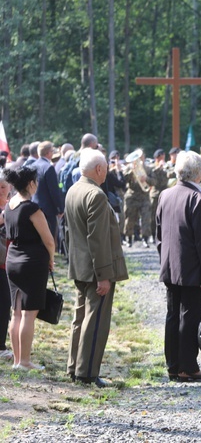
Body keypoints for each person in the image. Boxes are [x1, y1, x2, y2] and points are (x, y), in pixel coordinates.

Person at [65, 149, 128, 386]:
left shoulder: (74, 190)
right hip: (95, 270)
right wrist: (104, 276)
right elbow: (98, 239)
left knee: (80, 318)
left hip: (80, 266)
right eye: (106, 169)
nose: (108, 173)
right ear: (99, 169)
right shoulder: (97, 195)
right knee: (96, 321)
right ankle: (87, 372)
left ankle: (74, 367)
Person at [155, 151, 201, 382]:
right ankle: (188, 367)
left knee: (173, 315)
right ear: (200, 173)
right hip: (191, 268)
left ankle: (173, 365)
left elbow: (159, 234)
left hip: (170, 265)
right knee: (189, 316)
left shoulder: (165, 194)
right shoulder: (198, 199)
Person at [6, 166, 56, 370]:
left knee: (16, 313)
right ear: (30, 184)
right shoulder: (32, 209)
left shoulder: (9, 205)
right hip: (32, 263)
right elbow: (49, 241)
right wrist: (51, 260)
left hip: (13, 261)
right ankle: (25, 361)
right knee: (28, 314)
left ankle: (18, 360)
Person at [31, 141, 65, 240]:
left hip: (34, 206)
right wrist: (60, 208)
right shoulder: (49, 168)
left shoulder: (32, 166)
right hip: (48, 210)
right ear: (48, 153)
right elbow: (54, 191)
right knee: (48, 238)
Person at [0, 172, 12, 361]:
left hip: (7, 263)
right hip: (2, 263)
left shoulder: (10, 205)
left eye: (4, 187)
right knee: (2, 305)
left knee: (5, 306)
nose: (2, 191)